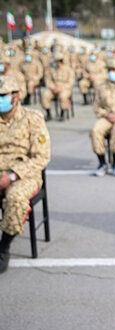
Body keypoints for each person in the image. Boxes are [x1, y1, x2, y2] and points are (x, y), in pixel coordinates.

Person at [0, 75, 51, 273]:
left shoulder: (32, 118)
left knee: (15, 198)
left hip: (23, 175)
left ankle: (4, 247)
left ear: (16, 96)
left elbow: (41, 157)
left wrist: (11, 176)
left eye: (3, 95)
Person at [41, 53, 75, 121]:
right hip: (53, 88)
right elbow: (48, 80)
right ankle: (48, 114)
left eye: (58, 61)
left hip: (65, 89)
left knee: (63, 96)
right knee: (45, 95)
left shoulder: (68, 69)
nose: (57, 63)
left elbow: (71, 82)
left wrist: (61, 88)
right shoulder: (51, 69)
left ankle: (62, 114)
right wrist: (53, 87)